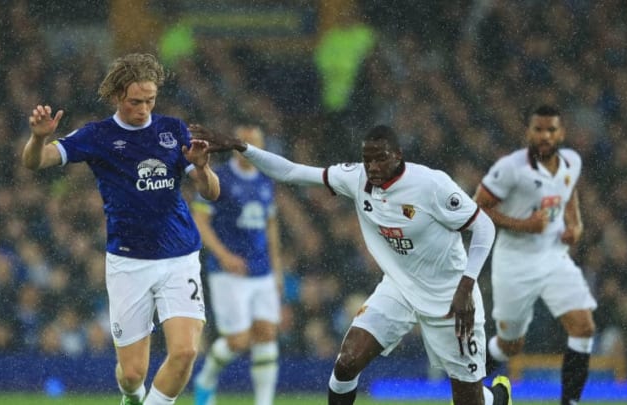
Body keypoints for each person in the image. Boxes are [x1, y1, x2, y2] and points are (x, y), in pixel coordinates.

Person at [192, 123, 512, 405]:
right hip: (399, 288)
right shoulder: (356, 178)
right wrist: (241, 147)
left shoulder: (431, 185)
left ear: (398, 156)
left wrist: (467, 286)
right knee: (347, 361)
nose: (372, 166)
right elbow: (291, 171)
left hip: (450, 294)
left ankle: (496, 397)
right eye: (367, 158)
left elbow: (483, 226)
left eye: (380, 158)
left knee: (469, 400)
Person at [20, 53, 220, 405]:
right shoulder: (98, 135)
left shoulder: (174, 130)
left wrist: (203, 169)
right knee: (131, 375)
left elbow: (212, 192)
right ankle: (132, 396)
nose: (143, 109)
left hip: (180, 257)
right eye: (135, 102)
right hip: (128, 263)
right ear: (116, 96)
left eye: (150, 100)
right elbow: (36, 162)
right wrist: (38, 139)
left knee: (186, 351)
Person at [474, 105, 597, 405]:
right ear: (528, 133)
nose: (545, 136)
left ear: (561, 133)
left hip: (554, 256)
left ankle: (570, 402)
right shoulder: (510, 169)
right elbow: (477, 208)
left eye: (551, 130)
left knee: (584, 327)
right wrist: (524, 225)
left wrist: (575, 223)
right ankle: (469, 387)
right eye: (538, 129)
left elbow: (568, 190)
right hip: (514, 262)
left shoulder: (571, 162)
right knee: (510, 345)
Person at [191, 125, 282, 405]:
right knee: (239, 341)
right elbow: (200, 220)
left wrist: (277, 269)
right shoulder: (222, 178)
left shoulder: (266, 179)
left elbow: (270, 226)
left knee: (266, 333)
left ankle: (264, 402)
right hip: (229, 273)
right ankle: (206, 378)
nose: (252, 148)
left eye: (257, 142)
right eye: (247, 143)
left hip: (262, 270)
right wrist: (223, 255)